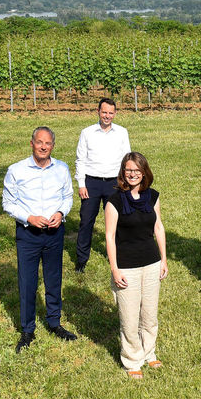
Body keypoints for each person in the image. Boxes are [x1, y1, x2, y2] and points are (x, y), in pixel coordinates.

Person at [4, 126, 78, 353]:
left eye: (48, 143)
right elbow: (8, 203)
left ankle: (54, 322)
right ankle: (27, 329)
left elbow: (68, 197)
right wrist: (29, 218)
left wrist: (61, 213)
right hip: (28, 234)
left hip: (55, 232)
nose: (43, 147)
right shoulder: (16, 170)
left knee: (53, 277)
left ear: (52, 146)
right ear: (32, 143)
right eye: (39, 142)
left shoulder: (62, 168)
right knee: (27, 281)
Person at [103, 152, 168, 379]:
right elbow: (109, 237)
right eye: (129, 170)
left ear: (144, 172)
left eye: (137, 170)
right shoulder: (114, 201)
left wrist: (164, 260)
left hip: (151, 262)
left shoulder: (153, 197)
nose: (133, 174)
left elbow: (158, 228)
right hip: (126, 266)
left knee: (149, 315)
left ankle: (149, 353)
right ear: (123, 172)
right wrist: (115, 268)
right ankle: (132, 360)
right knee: (130, 318)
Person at [74, 98, 131, 273]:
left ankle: (118, 256)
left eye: (110, 113)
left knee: (118, 222)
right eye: (104, 112)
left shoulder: (122, 132)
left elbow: (127, 158)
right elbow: (80, 159)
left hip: (114, 183)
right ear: (98, 111)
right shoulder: (87, 133)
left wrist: (126, 183)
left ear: (115, 114)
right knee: (86, 222)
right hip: (92, 183)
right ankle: (81, 261)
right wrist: (82, 184)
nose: (107, 116)